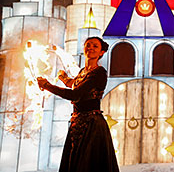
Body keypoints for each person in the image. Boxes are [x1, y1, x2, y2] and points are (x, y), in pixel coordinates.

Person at [37, 37, 119, 172]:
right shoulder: (83, 72)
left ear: (101, 52)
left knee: (87, 165)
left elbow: (75, 95)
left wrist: (47, 86)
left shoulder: (99, 72)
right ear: (84, 48)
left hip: (91, 125)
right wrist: (63, 77)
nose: (90, 48)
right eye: (88, 45)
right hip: (77, 122)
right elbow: (75, 84)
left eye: (95, 46)